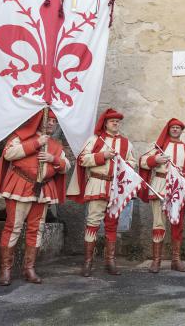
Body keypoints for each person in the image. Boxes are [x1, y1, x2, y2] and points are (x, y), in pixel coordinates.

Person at [0, 110, 69, 286]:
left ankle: (29, 268)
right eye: (48, 120)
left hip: (42, 190)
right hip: (20, 186)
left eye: (54, 122)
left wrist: (52, 158)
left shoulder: (55, 145)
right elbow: (9, 153)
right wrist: (36, 143)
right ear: (40, 119)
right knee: (13, 227)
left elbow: (66, 166)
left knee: (36, 229)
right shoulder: (22, 136)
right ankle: (6, 269)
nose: (51, 124)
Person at [67, 107, 136, 277]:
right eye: (112, 121)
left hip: (116, 188)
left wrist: (126, 165)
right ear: (105, 123)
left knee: (113, 223)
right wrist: (102, 155)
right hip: (97, 184)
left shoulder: (127, 143)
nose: (116, 123)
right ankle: (88, 262)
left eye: (118, 121)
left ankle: (110, 261)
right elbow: (82, 159)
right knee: (93, 223)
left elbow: (132, 163)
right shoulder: (95, 140)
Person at [138, 117, 185, 273]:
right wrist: (155, 159)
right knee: (158, 223)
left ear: (181, 131)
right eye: (173, 127)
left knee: (178, 225)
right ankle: (156, 261)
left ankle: (176, 261)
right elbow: (142, 161)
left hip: (178, 189)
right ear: (169, 129)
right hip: (160, 186)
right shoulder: (159, 146)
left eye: (178, 127)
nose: (176, 129)